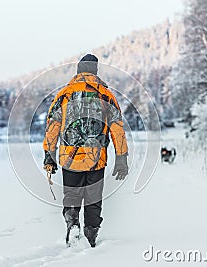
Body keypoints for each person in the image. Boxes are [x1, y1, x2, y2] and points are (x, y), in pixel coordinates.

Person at [43, 54, 128, 247]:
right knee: (93, 198)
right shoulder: (106, 95)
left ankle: (72, 222)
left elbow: (52, 127)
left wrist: (49, 155)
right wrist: (121, 157)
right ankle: (91, 235)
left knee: (72, 195)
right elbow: (117, 128)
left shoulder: (64, 94)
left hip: (69, 156)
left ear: (78, 71)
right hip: (96, 158)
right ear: (95, 71)